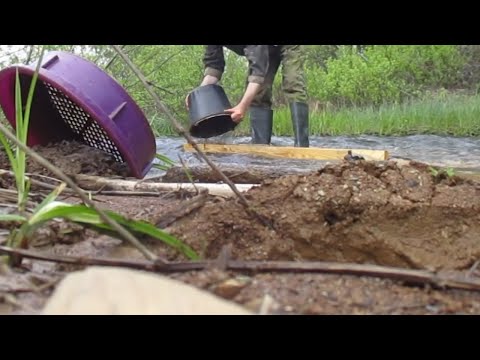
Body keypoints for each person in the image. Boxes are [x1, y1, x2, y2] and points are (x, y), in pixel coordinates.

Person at [187, 45, 309, 147]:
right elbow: (214, 65)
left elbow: (257, 72)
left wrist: (242, 106)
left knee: (293, 83)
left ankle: (302, 145)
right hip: (264, 49)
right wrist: (199, 92)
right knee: (259, 94)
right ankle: (260, 145)